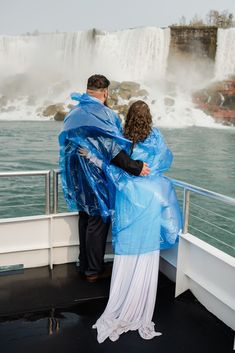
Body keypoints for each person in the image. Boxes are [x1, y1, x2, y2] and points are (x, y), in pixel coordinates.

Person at [84, 100, 182, 343]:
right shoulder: (156, 137)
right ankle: (141, 305)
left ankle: (121, 300)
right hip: (149, 201)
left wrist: (91, 157)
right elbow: (165, 161)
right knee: (147, 252)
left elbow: (113, 168)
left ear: (128, 117)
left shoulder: (122, 138)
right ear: (149, 117)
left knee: (127, 250)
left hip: (129, 200)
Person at [59, 75, 150, 283]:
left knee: (85, 216)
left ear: (88, 89)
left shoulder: (73, 112)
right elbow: (113, 149)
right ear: (106, 92)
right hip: (95, 176)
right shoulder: (105, 114)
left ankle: (85, 265)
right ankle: (93, 270)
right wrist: (136, 167)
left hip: (76, 174)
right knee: (98, 219)